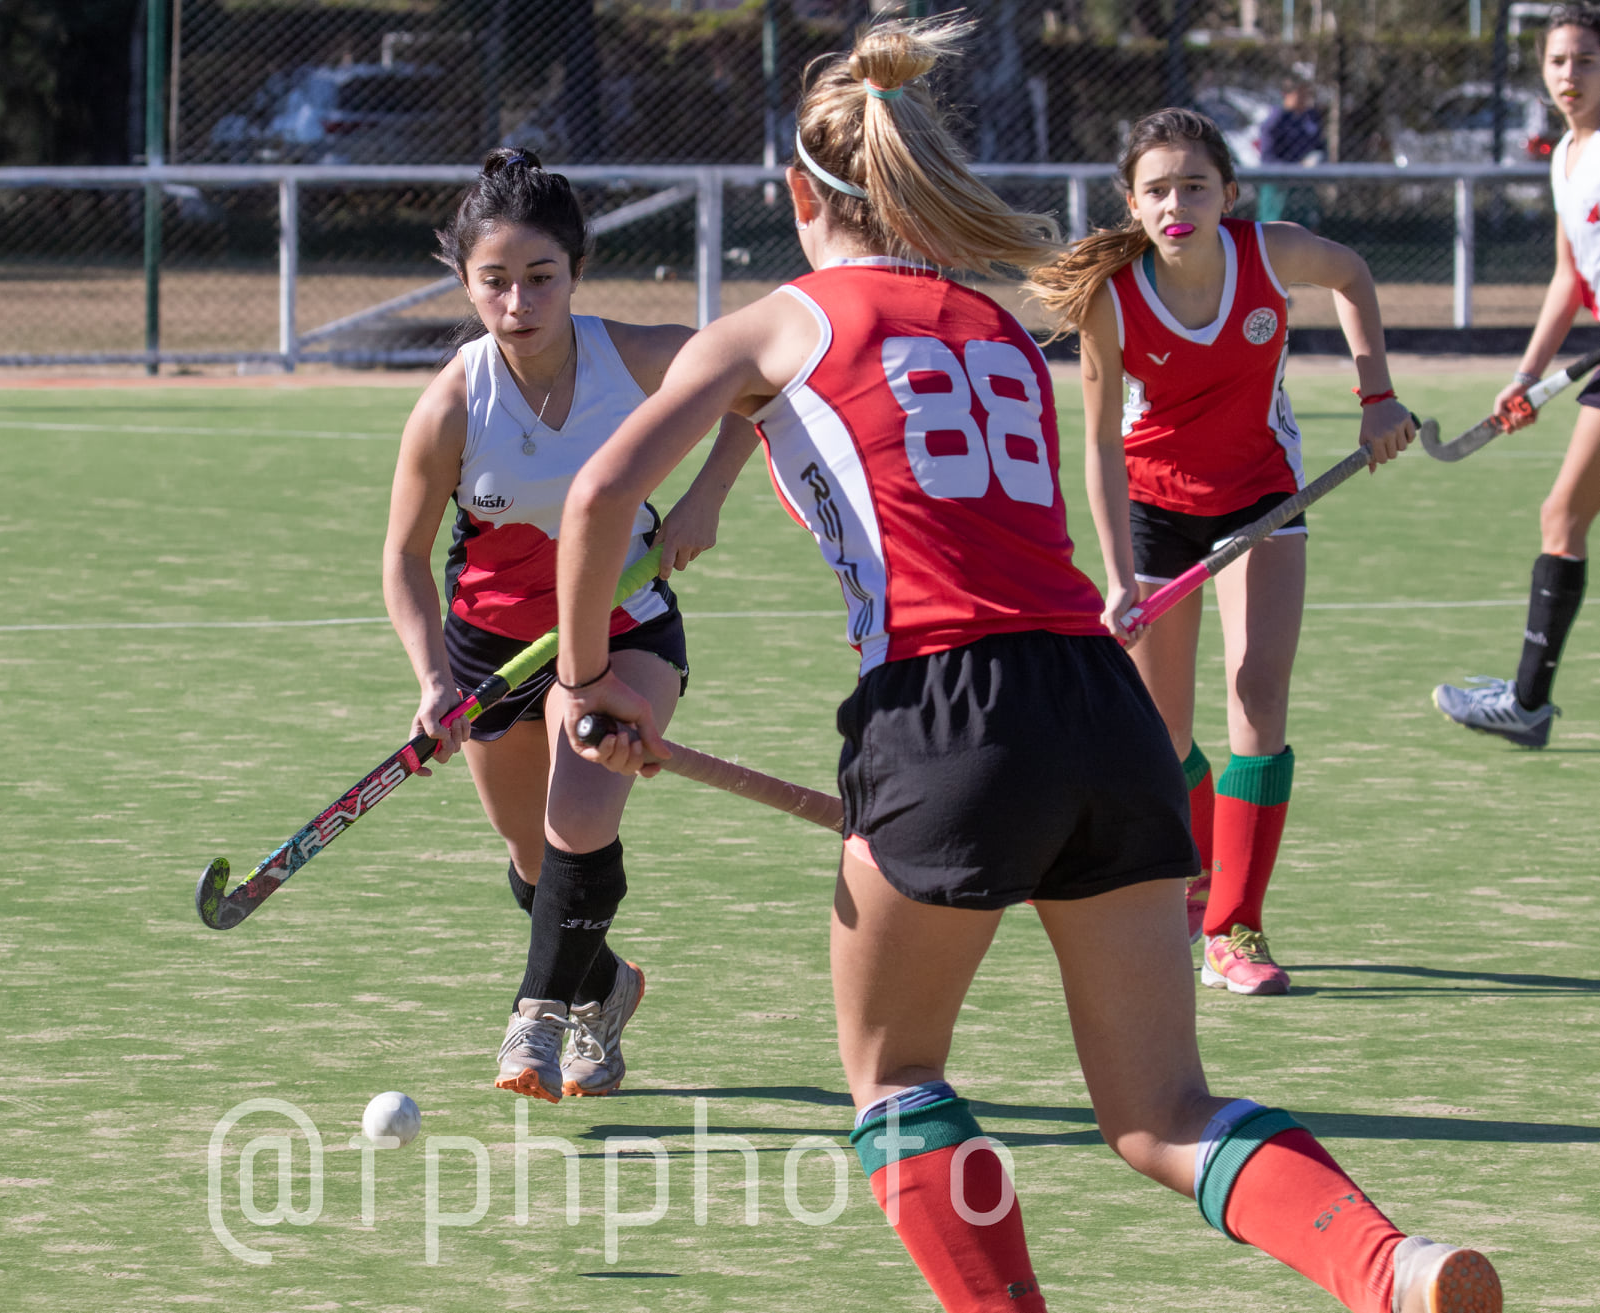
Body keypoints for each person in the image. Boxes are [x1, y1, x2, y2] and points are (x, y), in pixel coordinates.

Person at [548, 20, 1500, 1313]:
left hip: (941, 705)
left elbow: (601, 494)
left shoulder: (780, 320)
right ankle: (1388, 1261)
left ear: (795, 197)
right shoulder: (991, 325)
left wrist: (585, 676)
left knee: (896, 1078)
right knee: (1162, 1106)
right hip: (1100, 704)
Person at [381, 147, 759, 1102]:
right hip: (490, 650)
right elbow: (405, 558)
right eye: (494, 282)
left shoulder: (634, 356)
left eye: (540, 277)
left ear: (576, 272)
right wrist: (433, 680)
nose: (519, 302)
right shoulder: (450, 403)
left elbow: (764, 380)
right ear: (465, 285)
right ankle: (607, 989)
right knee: (535, 862)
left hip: (624, 620)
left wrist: (706, 495)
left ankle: (535, 1020)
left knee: (579, 820)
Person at [1028, 107, 1415, 997]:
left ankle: (1234, 924)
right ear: (1131, 204)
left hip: (1263, 494)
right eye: (1156, 190)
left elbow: (1351, 273)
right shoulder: (1112, 297)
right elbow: (1095, 448)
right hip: (1158, 509)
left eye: (1195, 186)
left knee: (1257, 690)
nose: (1177, 205)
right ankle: (1195, 877)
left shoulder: (1268, 252)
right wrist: (1117, 572)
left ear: (1227, 194)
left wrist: (1376, 394)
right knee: (1163, 735)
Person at [1434, 3, 1600, 749]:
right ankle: (1526, 704)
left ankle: (1528, 704)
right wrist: (1527, 375)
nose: (1570, 74)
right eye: (1559, 61)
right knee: (1561, 517)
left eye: (1586, 60)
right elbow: (1569, 274)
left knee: (1561, 515)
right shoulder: (1567, 154)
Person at [1256, 80, 1324, 224]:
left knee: (1303, 228)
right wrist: (1292, 167)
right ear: (1286, 95)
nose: (1304, 99)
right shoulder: (1276, 119)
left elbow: (1318, 144)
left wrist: (1314, 159)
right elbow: (1267, 157)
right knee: (1275, 228)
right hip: (1278, 183)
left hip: (1301, 181)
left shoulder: (1309, 117)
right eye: (1300, 94)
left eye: (1306, 94)